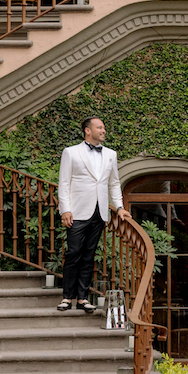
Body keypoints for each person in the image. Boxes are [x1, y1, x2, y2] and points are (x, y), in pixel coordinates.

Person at [56, 116, 131, 313]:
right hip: (78, 211)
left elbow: (114, 183)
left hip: (99, 212)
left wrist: (120, 206)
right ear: (87, 130)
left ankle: (82, 298)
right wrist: (65, 209)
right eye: (99, 127)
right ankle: (67, 297)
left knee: (89, 256)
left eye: (104, 127)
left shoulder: (110, 154)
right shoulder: (71, 152)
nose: (103, 130)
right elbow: (64, 183)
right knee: (73, 254)